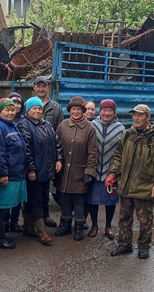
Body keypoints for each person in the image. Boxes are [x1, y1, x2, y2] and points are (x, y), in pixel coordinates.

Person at [107, 104, 154, 259]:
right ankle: (124, 244)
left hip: (144, 187)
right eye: (134, 115)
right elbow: (118, 156)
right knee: (124, 218)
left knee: (145, 220)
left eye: (140, 115)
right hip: (126, 186)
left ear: (148, 118)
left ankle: (143, 246)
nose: (136, 118)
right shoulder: (127, 134)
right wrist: (113, 173)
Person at [18, 97, 63, 245]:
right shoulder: (24, 125)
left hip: (46, 170)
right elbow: (27, 150)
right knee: (35, 200)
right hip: (35, 171)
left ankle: (29, 227)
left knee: (42, 197)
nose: (37, 111)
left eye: (39, 108)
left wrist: (59, 159)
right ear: (28, 110)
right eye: (34, 108)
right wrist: (31, 169)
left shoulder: (46, 124)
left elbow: (56, 142)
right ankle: (41, 231)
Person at [54, 96, 98, 241]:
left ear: (83, 111)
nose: (76, 112)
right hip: (64, 173)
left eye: (78, 109)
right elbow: (56, 146)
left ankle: (79, 227)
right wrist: (57, 161)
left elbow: (93, 152)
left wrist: (89, 172)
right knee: (65, 200)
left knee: (79, 202)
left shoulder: (90, 128)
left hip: (80, 173)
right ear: (70, 110)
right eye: (73, 109)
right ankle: (65, 226)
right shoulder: (63, 125)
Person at [0, 98, 27, 249]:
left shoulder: (12, 126)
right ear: (0, 111)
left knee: (4, 207)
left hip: (15, 173)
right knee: (0, 208)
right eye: (7, 110)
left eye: (12, 110)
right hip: (6, 175)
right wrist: (3, 173)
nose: (11, 113)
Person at [87, 99, 124, 239]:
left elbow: (121, 152)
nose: (107, 113)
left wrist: (116, 171)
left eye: (110, 111)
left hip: (111, 171)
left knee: (110, 200)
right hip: (94, 170)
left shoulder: (120, 128)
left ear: (114, 112)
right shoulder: (91, 125)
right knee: (92, 200)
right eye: (104, 110)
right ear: (100, 111)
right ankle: (94, 225)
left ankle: (108, 226)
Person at [32, 76, 63, 228]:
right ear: (34, 87)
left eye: (44, 86)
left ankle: (46, 216)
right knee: (33, 189)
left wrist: (58, 157)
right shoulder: (29, 105)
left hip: (49, 155)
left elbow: (60, 132)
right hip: (34, 154)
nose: (41, 88)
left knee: (45, 189)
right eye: (38, 86)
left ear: (48, 87)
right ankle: (32, 219)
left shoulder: (55, 107)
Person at [3, 92, 26, 233]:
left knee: (18, 199)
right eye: (12, 104)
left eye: (18, 103)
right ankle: (5, 223)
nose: (16, 106)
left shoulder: (23, 121)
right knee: (6, 199)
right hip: (8, 168)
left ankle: (14, 221)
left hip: (20, 167)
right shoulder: (2, 124)